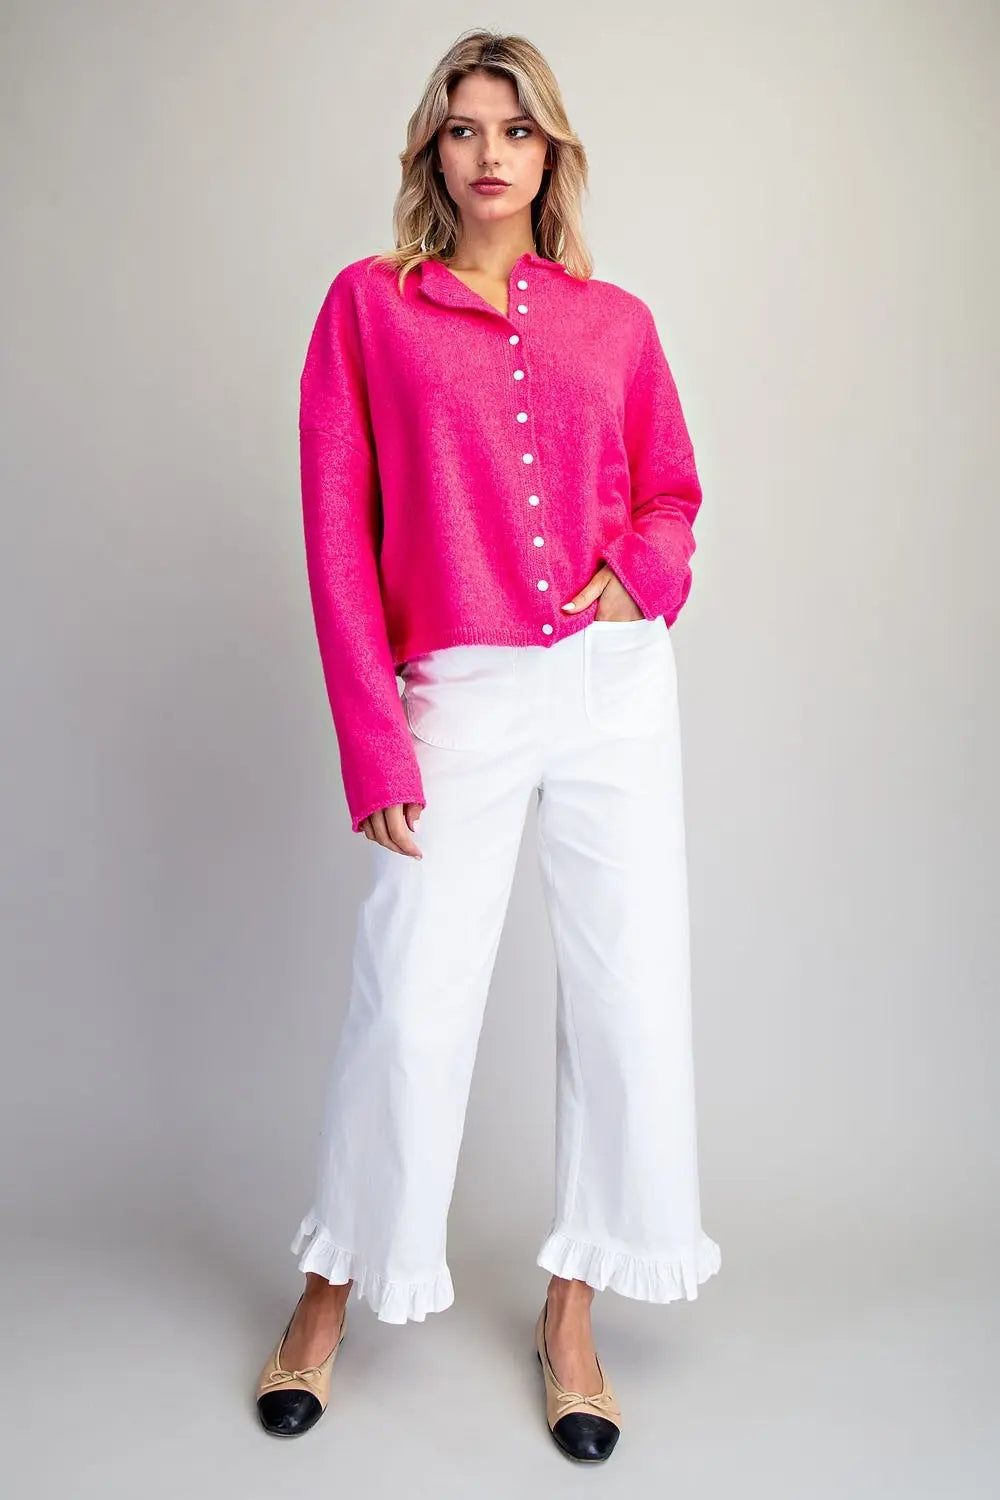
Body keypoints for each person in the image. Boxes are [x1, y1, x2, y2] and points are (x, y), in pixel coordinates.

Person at [254, 28, 721, 1463]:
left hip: (610, 686)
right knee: (411, 996)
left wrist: (637, 578)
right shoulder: (368, 308)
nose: (490, 153)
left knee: (629, 996)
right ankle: (331, 1287)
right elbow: (337, 536)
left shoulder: (616, 322)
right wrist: (374, 745)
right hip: (456, 688)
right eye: (463, 128)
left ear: (550, 152)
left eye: (515, 130)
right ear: (432, 151)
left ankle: (571, 1309)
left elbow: (673, 493)